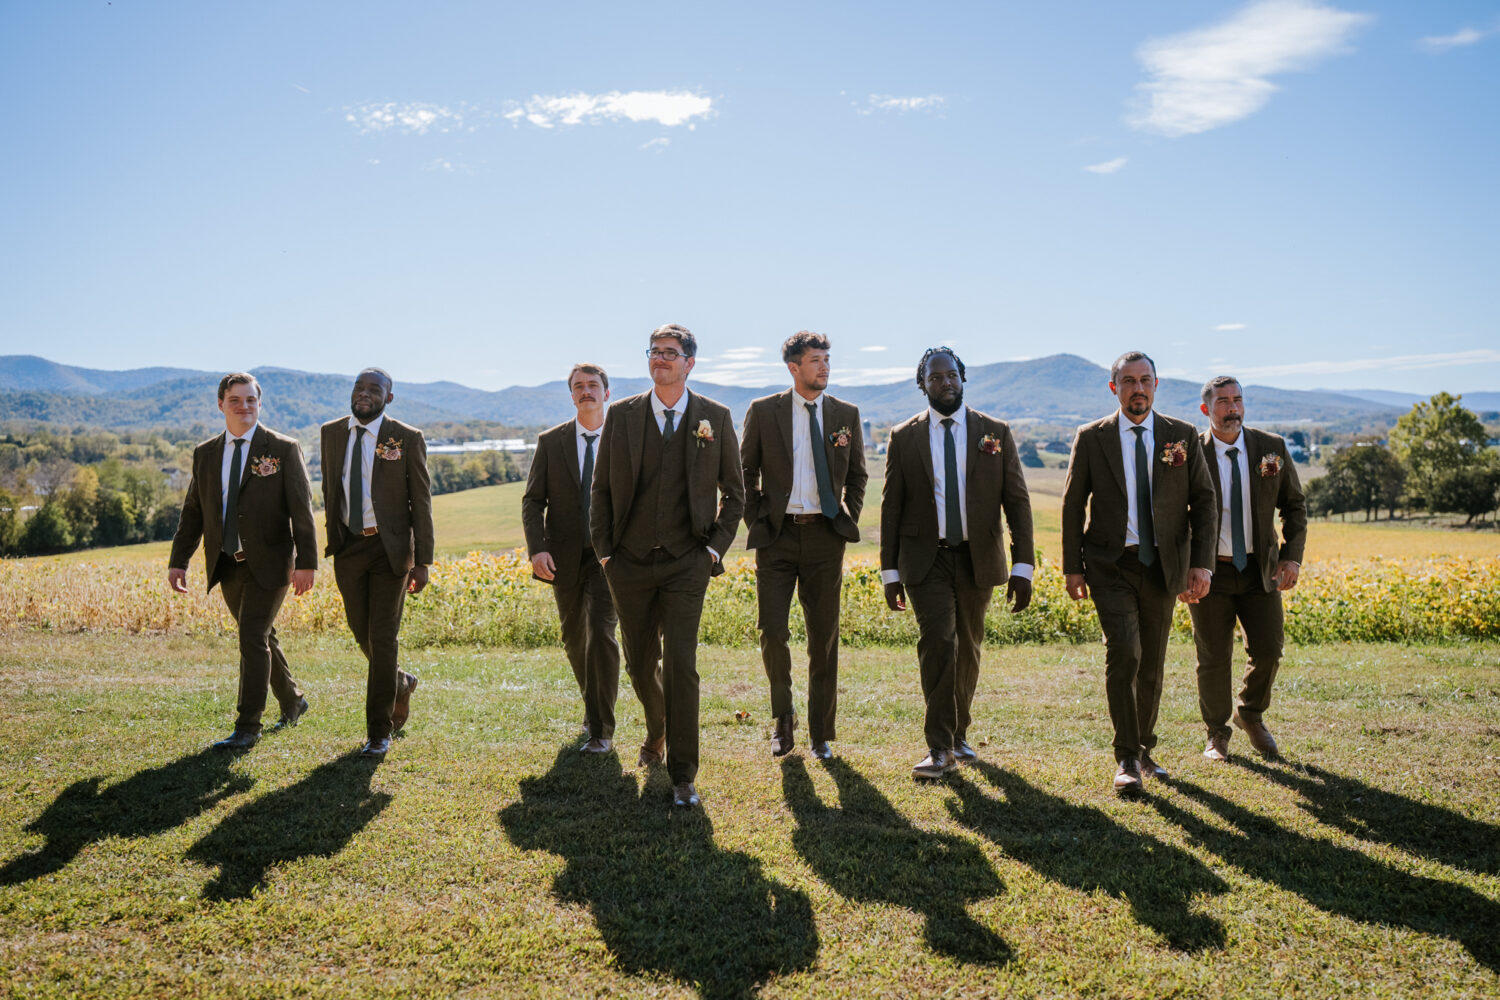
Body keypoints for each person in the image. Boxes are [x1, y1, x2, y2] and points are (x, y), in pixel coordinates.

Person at [590, 324, 744, 807]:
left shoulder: (714, 418)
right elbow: (600, 491)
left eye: (670, 353)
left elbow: (735, 496)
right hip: (628, 563)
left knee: (681, 665)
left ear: (689, 363)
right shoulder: (622, 415)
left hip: (687, 564)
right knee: (639, 663)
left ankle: (683, 775)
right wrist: (607, 553)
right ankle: (657, 728)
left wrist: (712, 552)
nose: (660, 359)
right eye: (654, 352)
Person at [1061, 351, 1216, 795]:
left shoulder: (1181, 436)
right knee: (1124, 652)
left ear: (1156, 384)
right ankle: (1126, 757)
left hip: (1164, 566)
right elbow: (1074, 505)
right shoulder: (1092, 438)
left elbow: (1204, 502)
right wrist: (1074, 567)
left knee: (1151, 663)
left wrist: (1200, 563)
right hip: (1110, 564)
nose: (1138, 388)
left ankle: (1144, 747)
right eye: (1128, 381)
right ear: (1114, 388)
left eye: (1145, 379)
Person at [880, 347, 1034, 779]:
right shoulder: (903, 436)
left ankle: (959, 733)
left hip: (977, 559)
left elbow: (1018, 503)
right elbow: (891, 508)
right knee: (938, 643)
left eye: (951, 376)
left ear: (963, 378)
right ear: (922, 384)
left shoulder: (994, 432)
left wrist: (1023, 566)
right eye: (935, 378)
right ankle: (940, 746)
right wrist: (889, 571)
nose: (945, 383)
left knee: (968, 647)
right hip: (924, 561)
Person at [168, 373, 317, 751]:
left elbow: (303, 510)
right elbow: (194, 511)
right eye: (235, 400)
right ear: (221, 404)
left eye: (251, 400)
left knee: (251, 636)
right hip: (227, 563)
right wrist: (179, 560)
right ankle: (293, 700)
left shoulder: (282, 448)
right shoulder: (205, 453)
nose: (244, 406)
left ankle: (248, 726)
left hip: (272, 562)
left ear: (259, 404)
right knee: (262, 636)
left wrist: (307, 562)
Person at [741, 332, 868, 760]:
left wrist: (845, 516)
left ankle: (821, 732)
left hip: (825, 538)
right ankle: (783, 718)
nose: (825, 367)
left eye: (827, 359)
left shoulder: (846, 414)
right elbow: (745, 472)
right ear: (794, 367)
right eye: (816, 360)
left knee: (823, 638)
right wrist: (757, 518)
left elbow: (858, 476)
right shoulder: (763, 411)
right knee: (772, 632)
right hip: (775, 539)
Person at [320, 368, 434, 759]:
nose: (364, 394)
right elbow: (329, 488)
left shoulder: (406, 437)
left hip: (390, 551)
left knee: (383, 638)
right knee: (361, 632)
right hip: (348, 547)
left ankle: (378, 731)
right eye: (359, 388)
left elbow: (421, 501)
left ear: (389, 398)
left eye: (374, 389)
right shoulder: (331, 433)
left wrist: (423, 562)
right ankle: (400, 682)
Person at [1191, 376, 1307, 761]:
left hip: (1261, 569)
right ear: (1207, 409)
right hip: (1209, 571)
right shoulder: (1191, 451)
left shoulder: (1270, 448)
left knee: (1270, 649)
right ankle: (1216, 733)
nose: (1233, 408)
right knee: (1213, 655)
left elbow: (1294, 506)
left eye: (1237, 400)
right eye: (1223, 401)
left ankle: (1250, 713)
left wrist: (1291, 557)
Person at [522, 362, 621, 754]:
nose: (586, 391)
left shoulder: (623, 436)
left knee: (601, 633)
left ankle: (601, 729)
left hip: (609, 557)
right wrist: (537, 548)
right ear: (571, 394)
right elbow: (533, 500)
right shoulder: (551, 441)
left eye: (593, 385)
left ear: (606, 393)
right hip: (562, 556)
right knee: (573, 638)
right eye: (578, 386)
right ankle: (592, 705)